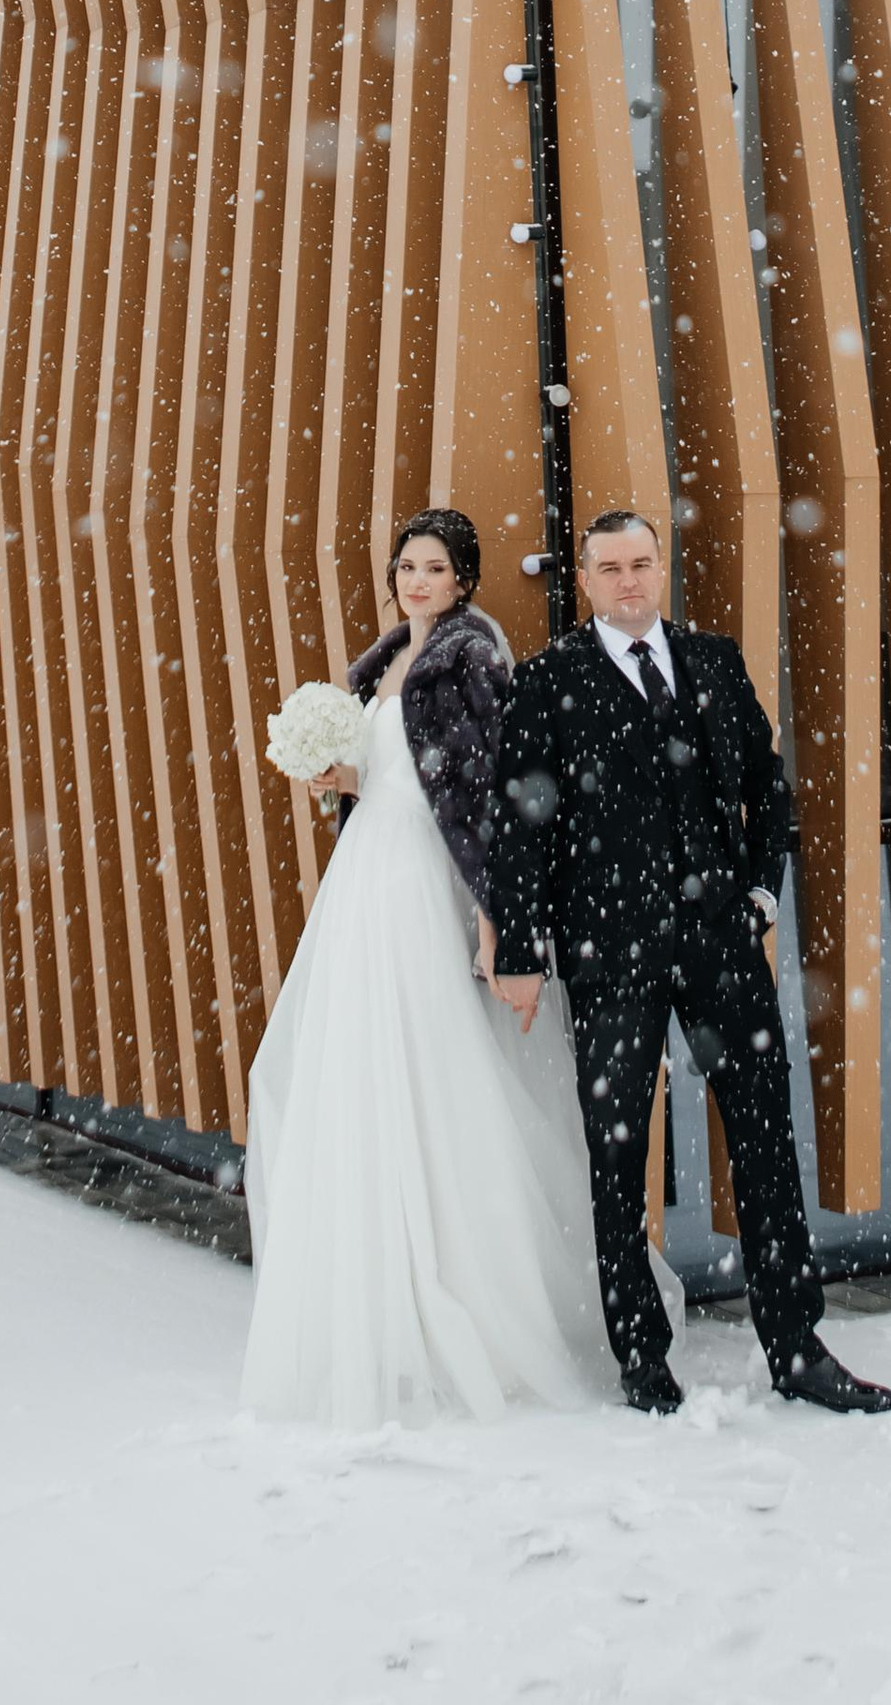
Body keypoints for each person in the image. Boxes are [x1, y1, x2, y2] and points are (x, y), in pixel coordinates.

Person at [487, 510, 891, 1419]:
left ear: (661, 568)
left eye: (642, 564)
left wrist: (759, 894)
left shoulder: (713, 661)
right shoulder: (550, 681)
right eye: (609, 569)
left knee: (764, 1144)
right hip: (610, 954)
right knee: (616, 1158)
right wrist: (518, 950)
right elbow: (516, 828)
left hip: (721, 947)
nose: (629, 582)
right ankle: (642, 1361)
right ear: (584, 579)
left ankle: (795, 1345)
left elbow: (768, 791)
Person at [239, 507, 638, 1429]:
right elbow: (396, 776)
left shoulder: (472, 656)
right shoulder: (384, 663)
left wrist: (503, 915)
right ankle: (375, 1302)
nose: (415, 581)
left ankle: (465, 1297)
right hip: (364, 887)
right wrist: (342, 777)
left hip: (427, 885)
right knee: (353, 1076)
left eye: (433, 568)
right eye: (404, 567)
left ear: (463, 580)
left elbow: (500, 786)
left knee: (436, 1074)